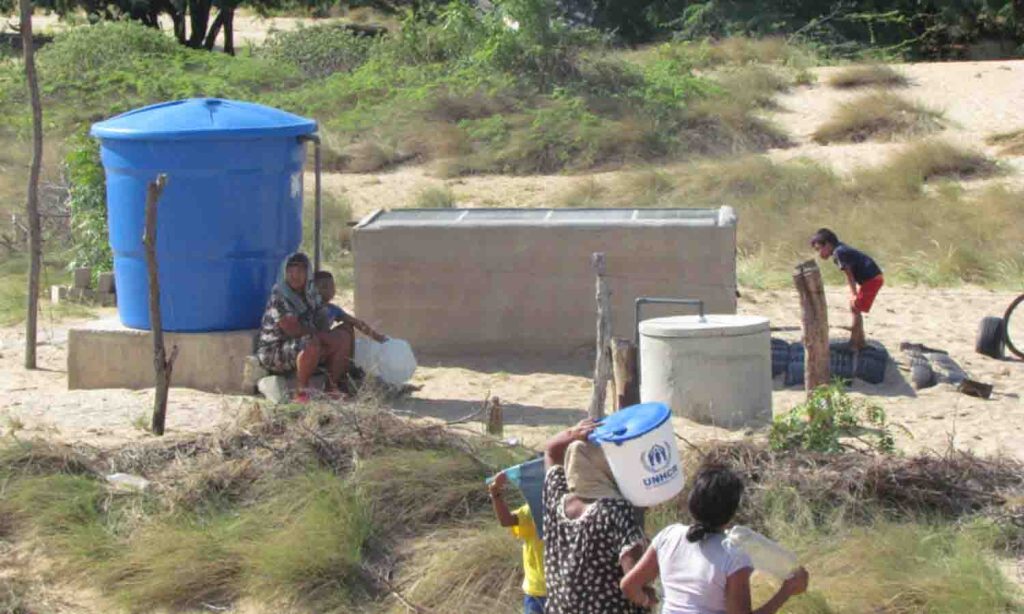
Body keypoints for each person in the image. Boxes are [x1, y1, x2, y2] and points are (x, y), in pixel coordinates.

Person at [620, 466, 809, 614]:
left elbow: (629, 585)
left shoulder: (668, 536)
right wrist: (786, 591)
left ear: (692, 502)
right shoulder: (733, 557)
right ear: (730, 513)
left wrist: (647, 600)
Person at [542, 419, 650, 614]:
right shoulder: (615, 509)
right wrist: (646, 596)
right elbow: (632, 577)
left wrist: (573, 434)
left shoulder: (556, 498)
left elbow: (550, 451)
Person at [255, 252, 354, 403]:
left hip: (306, 344)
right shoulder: (280, 295)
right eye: (290, 271)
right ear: (284, 273)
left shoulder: (311, 293)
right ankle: (301, 392)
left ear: (307, 273)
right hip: (275, 351)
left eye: (300, 271)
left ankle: (331, 387)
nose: (295, 276)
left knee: (344, 334)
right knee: (311, 341)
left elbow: (322, 320)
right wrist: (323, 337)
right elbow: (292, 329)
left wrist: (330, 336)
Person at [810, 228, 884, 351]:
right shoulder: (840, 249)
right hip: (873, 278)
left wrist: (854, 294)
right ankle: (859, 340)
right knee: (855, 307)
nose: (819, 254)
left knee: (855, 307)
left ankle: (855, 343)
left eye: (819, 249)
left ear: (828, 244)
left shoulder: (839, 253)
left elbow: (849, 274)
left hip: (872, 280)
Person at [489, 471, 547, 614]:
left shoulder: (571, 507)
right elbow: (506, 520)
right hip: (537, 590)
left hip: (563, 588)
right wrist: (495, 493)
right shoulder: (532, 510)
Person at [312, 271, 388, 343]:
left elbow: (357, 323)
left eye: (332, 286)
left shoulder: (334, 309)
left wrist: (377, 337)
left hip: (325, 343)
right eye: (324, 287)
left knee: (347, 327)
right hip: (310, 342)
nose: (330, 290)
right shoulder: (308, 306)